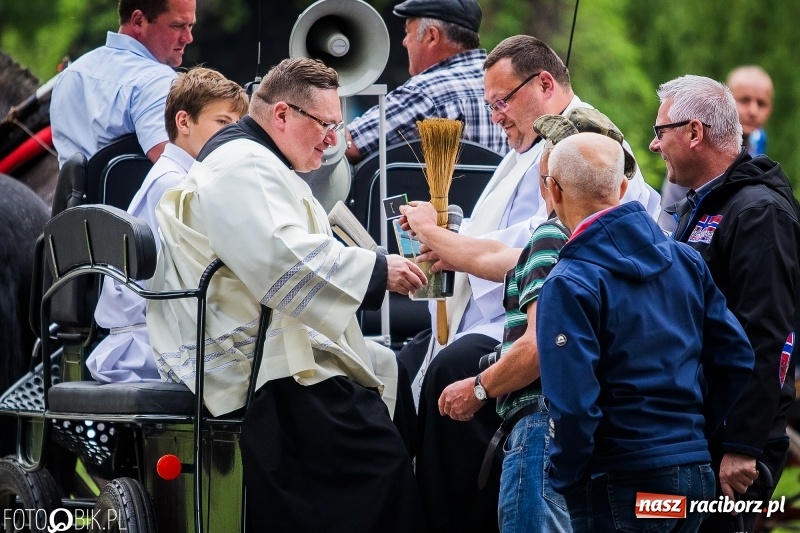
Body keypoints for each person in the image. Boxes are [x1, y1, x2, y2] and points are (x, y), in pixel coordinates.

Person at [147, 57, 428, 532]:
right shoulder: (243, 165)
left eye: (337, 127)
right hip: (266, 371)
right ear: (282, 115)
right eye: (325, 125)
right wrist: (378, 269)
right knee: (382, 468)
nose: (332, 140)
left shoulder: (253, 162)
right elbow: (282, 257)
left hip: (271, 354)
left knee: (390, 377)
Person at [396, 34, 660, 533]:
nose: (496, 116)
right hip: (517, 314)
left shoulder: (583, 144)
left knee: (453, 369)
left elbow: (528, 254)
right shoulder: (530, 145)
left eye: (502, 101)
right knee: (409, 368)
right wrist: (446, 236)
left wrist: (439, 238)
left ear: (543, 84)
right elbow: (504, 238)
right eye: (490, 104)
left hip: (555, 333)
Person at [538, 131, 754, 532]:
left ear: (553, 190)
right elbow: (737, 357)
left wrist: (565, 476)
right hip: (690, 473)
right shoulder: (686, 260)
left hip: (622, 478)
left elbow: (573, 404)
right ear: (622, 188)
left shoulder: (569, 281)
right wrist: (691, 434)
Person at [650, 74, 800, 533]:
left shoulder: (758, 211)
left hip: (730, 450)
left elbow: (769, 334)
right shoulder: (706, 203)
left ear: (694, 133)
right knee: (650, 516)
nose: (654, 145)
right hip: (690, 432)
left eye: (660, 131)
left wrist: (743, 444)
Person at [87, 67, 248, 383]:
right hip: (152, 346)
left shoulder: (179, 175)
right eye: (222, 122)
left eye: (237, 125)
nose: (233, 134)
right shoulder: (176, 184)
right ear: (184, 122)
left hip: (166, 332)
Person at [344, 0, 507, 164]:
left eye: (408, 32)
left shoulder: (428, 90)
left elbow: (351, 144)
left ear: (432, 36)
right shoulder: (506, 82)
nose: (404, 41)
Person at [51, 0, 196, 167]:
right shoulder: (157, 81)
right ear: (138, 21)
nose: (188, 38)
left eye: (190, 26)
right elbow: (178, 169)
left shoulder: (69, 76)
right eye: (177, 26)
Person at [658, 65, 774, 231]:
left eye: (761, 104)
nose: (753, 111)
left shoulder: (758, 149)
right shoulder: (697, 149)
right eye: (744, 100)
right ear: (726, 103)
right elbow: (669, 224)